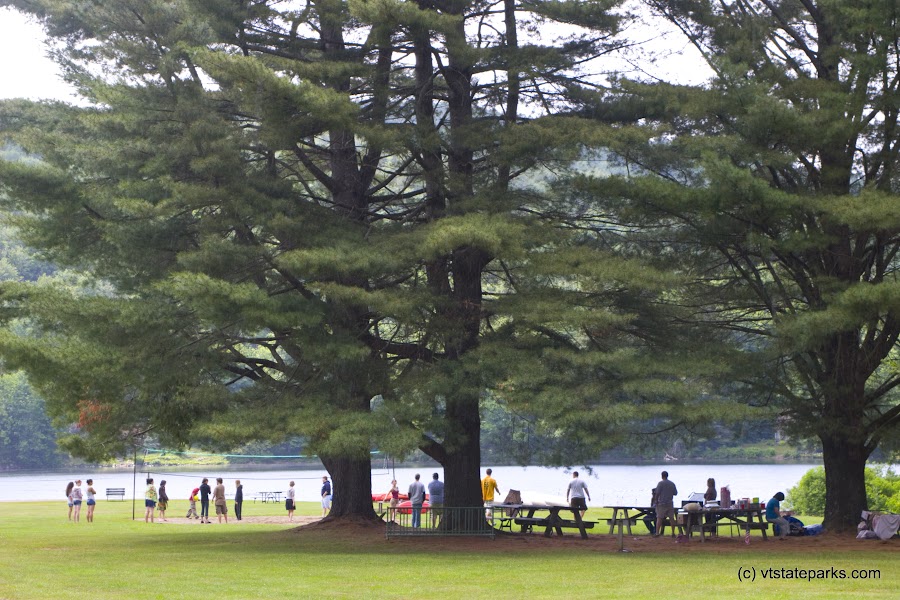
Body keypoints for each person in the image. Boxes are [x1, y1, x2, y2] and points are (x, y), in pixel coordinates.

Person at [653, 470, 680, 538]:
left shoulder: (660, 483)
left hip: (661, 503)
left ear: (662, 476)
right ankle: (673, 532)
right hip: (670, 503)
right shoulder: (672, 483)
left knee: (659, 518)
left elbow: (657, 493)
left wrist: (656, 501)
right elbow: (675, 493)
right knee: (671, 518)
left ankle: (657, 532)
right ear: (667, 476)